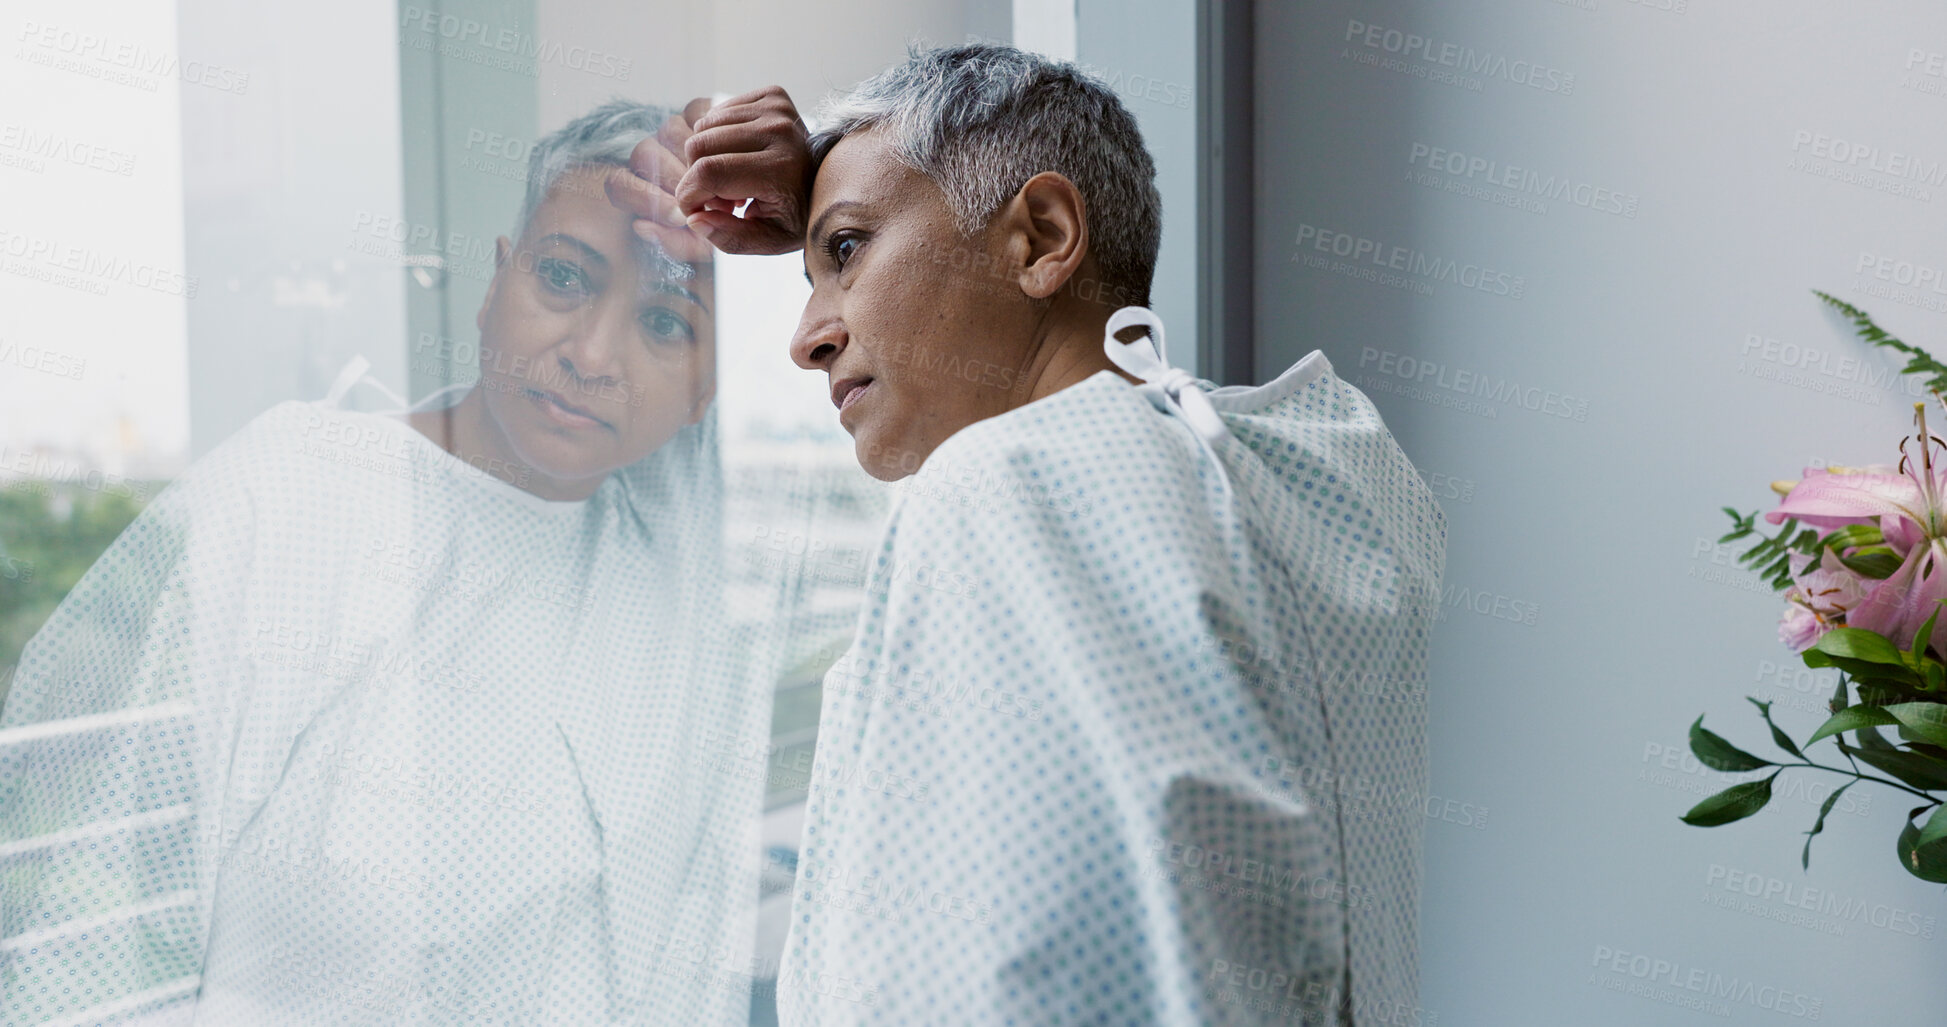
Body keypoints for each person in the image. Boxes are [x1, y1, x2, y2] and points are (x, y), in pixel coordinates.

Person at [614, 45, 1448, 1025]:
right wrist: (850, 184)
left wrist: (846, 170)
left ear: (1043, 236)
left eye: (844, 254)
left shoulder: (995, 491)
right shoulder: (1327, 480)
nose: (806, 335)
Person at [0, 100, 766, 1025]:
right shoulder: (298, 492)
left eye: (665, 324)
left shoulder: (669, 580)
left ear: (705, 391)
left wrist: (792, 212)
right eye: (563, 277)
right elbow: (92, 907)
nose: (591, 355)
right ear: (493, 284)